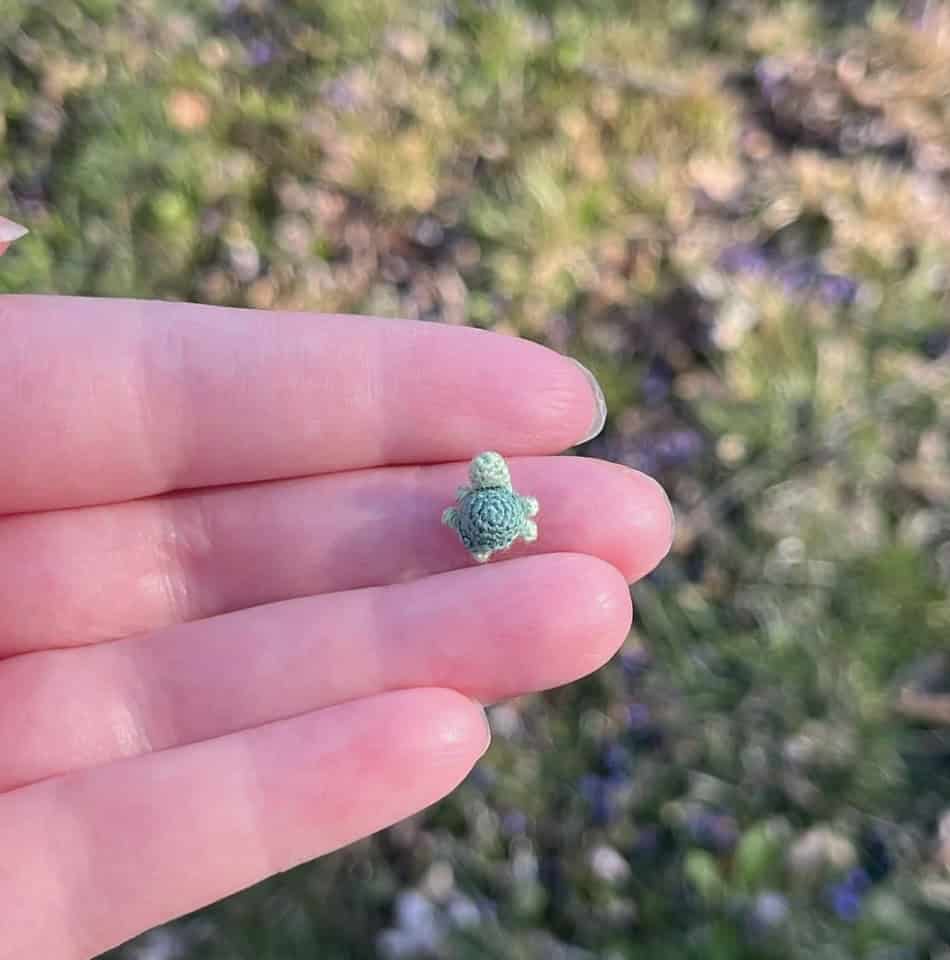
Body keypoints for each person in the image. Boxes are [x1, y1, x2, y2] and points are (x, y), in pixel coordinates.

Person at [0, 218, 672, 959]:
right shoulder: (494, 503)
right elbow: (488, 511)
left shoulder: (481, 502)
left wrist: (489, 517)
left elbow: (476, 510)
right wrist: (503, 518)